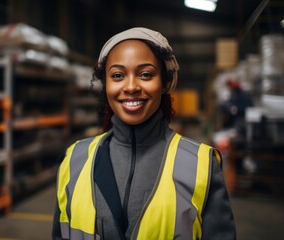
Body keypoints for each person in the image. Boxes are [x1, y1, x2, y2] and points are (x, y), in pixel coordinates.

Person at [52, 27, 236, 240]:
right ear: (106, 84)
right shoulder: (74, 159)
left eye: (145, 74)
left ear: (165, 83)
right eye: (118, 75)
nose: (131, 86)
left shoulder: (200, 166)